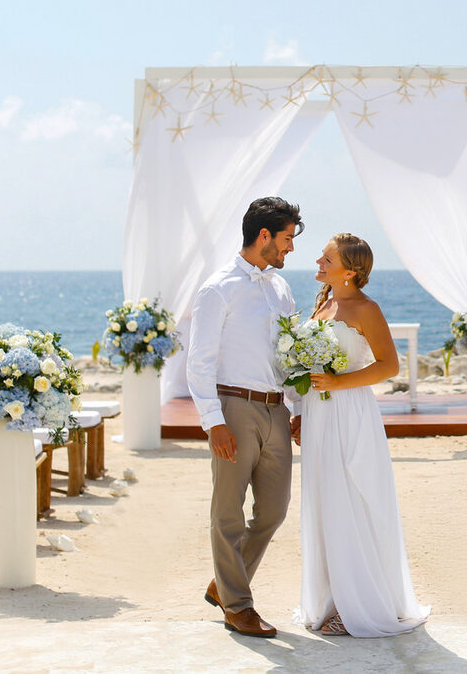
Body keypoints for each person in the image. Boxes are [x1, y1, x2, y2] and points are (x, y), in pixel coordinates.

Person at [294, 232, 430, 637]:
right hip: (319, 414)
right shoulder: (325, 303)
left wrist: (338, 384)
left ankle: (360, 604)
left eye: (326, 257)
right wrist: (301, 411)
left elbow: (389, 366)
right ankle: (332, 599)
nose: (318, 261)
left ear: (350, 271)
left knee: (349, 498)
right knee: (324, 500)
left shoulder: (365, 308)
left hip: (349, 412)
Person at [185, 196, 302, 638]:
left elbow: (290, 356)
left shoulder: (280, 289)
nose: (290, 248)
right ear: (264, 235)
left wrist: (300, 407)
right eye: (287, 239)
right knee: (229, 514)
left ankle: (225, 584)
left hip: (276, 409)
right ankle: (238, 605)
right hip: (233, 407)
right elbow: (199, 360)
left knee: (274, 511)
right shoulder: (219, 288)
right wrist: (212, 421)